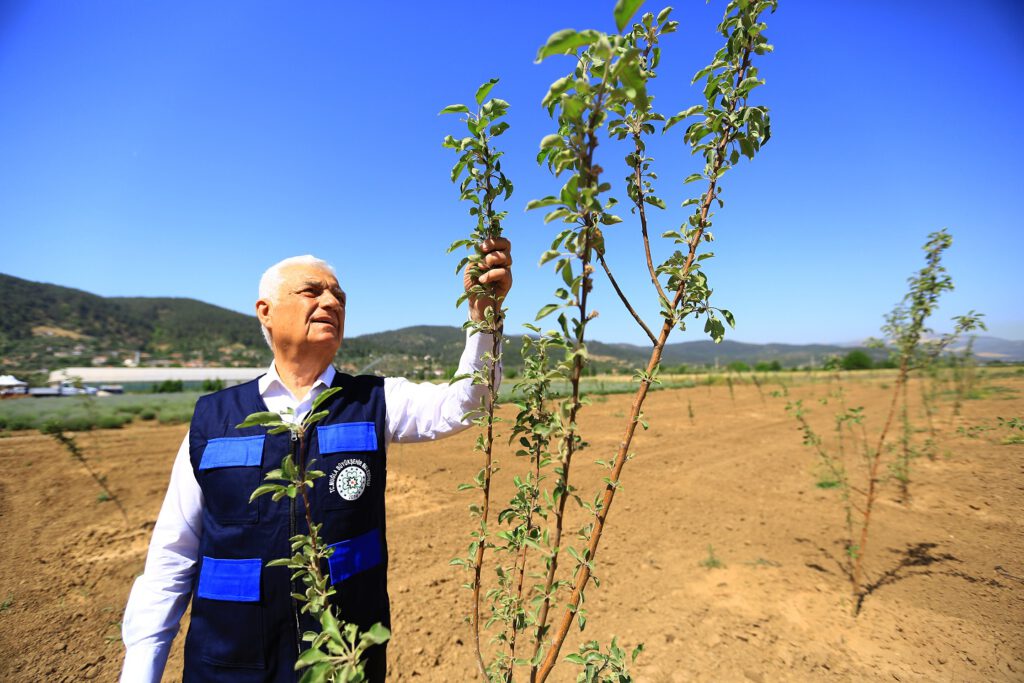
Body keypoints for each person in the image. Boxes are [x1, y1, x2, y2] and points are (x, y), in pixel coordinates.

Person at [120, 239, 512, 682]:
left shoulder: (374, 400)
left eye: (339, 296)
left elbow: (468, 403)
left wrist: (485, 320)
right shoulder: (212, 418)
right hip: (229, 667)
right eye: (312, 292)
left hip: (343, 666)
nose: (331, 301)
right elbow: (171, 560)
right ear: (265, 311)